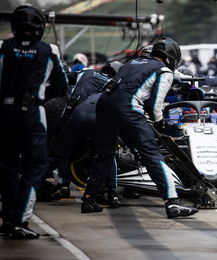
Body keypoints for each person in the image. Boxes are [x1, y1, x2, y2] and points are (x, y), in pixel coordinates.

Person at [84, 37, 198, 218]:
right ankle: (172, 203)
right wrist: (160, 124)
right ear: (171, 57)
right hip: (127, 107)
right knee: (152, 154)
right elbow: (154, 106)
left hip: (104, 103)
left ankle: (89, 199)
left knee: (104, 153)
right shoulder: (164, 71)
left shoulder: (132, 63)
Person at [0, 5, 68, 239]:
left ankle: (7, 220)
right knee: (35, 166)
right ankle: (21, 220)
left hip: (4, 112)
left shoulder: (3, 47)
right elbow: (61, 87)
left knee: (7, 166)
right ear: (39, 27)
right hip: (32, 113)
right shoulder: (48, 51)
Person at [46, 62, 124, 205]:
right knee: (106, 154)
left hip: (73, 114)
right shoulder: (115, 83)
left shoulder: (87, 71)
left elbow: (65, 79)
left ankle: (59, 184)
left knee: (60, 153)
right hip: (97, 120)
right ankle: (110, 192)